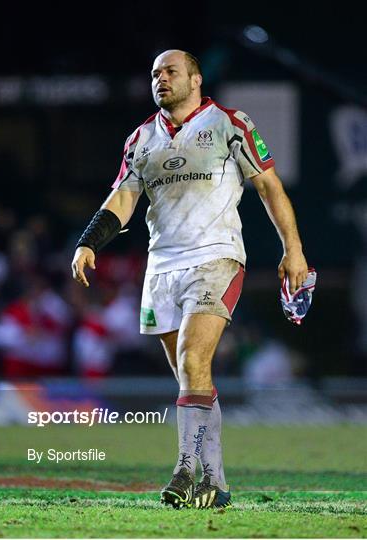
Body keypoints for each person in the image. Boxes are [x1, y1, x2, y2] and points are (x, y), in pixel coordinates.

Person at [71, 49, 308, 509]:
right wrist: (88, 242)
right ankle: (215, 483)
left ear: (195, 78)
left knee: (192, 358)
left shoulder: (229, 123)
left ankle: (183, 470)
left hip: (216, 259)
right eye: (155, 73)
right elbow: (122, 198)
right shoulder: (141, 138)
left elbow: (269, 186)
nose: (161, 79)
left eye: (171, 71)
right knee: (190, 378)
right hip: (161, 268)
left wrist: (293, 250)